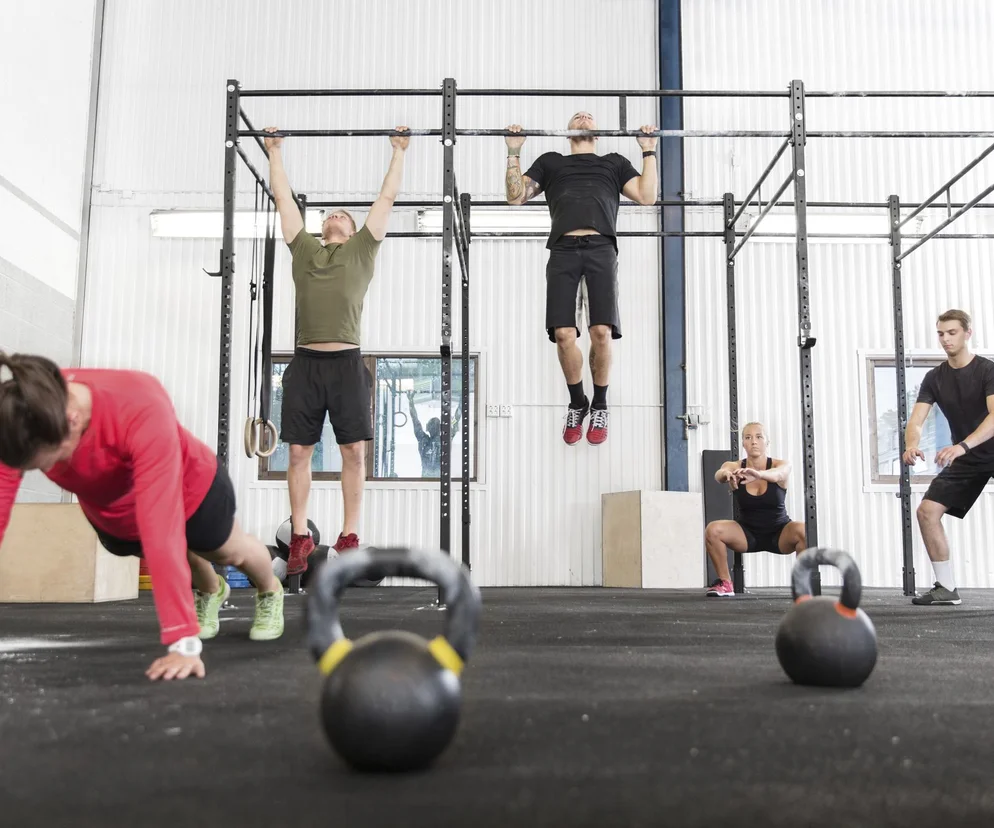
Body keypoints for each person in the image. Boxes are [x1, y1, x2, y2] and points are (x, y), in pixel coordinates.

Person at [0, 353, 285, 682]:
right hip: (118, 513)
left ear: (72, 420)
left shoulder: (138, 405)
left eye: (48, 462)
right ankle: (210, 590)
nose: (49, 471)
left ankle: (269, 589)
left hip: (190, 488)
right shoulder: (26, 411)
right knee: (172, 550)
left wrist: (183, 641)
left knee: (227, 551)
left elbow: (161, 527)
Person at [265, 125, 410, 575]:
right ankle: (300, 537)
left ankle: (349, 537)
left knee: (354, 453)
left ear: (352, 230)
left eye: (344, 215)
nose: (336, 216)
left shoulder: (363, 250)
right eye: (330, 213)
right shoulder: (304, 249)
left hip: (347, 364)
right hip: (306, 364)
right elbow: (283, 199)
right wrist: (274, 151)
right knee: (297, 453)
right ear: (323, 227)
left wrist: (398, 151)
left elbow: (386, 199)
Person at [504, 113, 658, 446]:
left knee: (601, 332)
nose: (584, 117)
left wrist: (648, 150)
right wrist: (513, 151)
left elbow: (647, 196)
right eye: (578, 116)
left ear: (597, 134)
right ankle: (578, 402)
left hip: (601, 247)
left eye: (589, 117)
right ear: (568, 132)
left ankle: (600, 404)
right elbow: (515, 197)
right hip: (563, 249)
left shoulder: (613, 163)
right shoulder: (551, 163)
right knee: (563, 334)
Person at [903, 309, 994, 606]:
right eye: (941, 334)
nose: (945, 339)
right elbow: (916, 420)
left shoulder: (988, 371)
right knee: (927, 512)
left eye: (952, 332)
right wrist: (911, 445)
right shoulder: (934, 378)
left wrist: (962, 446)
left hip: (973, 446)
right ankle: (946, 588)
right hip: (969, 455)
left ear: (968, 333)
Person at [703, 422, 807, 597]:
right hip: (747, 534)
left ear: (767, 442)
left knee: (804, 530)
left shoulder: (780, 464)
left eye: (759, 437)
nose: (753, 442)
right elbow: (719, 474)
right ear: (743, 443)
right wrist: (726, 475)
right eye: (748, 437)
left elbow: (780, 474)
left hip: (779, 533)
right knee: (713, 530)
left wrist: (758, 474)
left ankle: (802, 585)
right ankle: (725, 583)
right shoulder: (736, 466)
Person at [406, 389, 461, 477]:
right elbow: (456, 419)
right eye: (434, 425)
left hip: (430, 477)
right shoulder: (444, 439)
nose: (435, 428)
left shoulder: (424, 439)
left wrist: (411, 401)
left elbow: (415, 419)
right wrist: (461, 402)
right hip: (436, 477)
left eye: (435, 426)